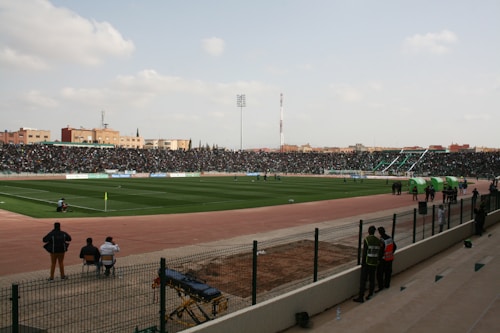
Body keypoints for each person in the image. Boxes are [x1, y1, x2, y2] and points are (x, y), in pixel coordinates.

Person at [353, 226, 380, 303]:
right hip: (374, 263)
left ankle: (361, 297)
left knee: (363, 280)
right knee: (372, 279)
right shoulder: (378, 240)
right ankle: (370, 294)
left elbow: (365, 252)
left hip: (367, 262)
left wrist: (363, 263)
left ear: (368, 231)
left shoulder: (367, 240)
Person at [376, 227, 397, 292]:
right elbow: (395, 247)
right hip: (390, 258)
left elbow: (381, 251)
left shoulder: (382, 240)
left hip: (384, 260)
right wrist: (391, 253)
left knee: (380, 274)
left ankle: (381, 287)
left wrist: (379, 259)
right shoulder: (390, 238)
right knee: (388, 273)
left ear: (380, 233)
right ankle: (387, 285)